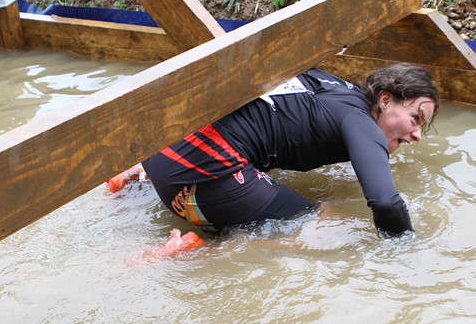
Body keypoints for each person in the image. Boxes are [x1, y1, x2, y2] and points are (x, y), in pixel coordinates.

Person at [139, 63, 439, 237]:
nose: (417, 135)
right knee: (325, 224)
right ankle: (196, 250)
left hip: (158, 144)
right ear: (384, 101)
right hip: (199, 176)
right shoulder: (361, 122)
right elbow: (386, 204)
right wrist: (407, 249)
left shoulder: (333, 85)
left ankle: (132, 178)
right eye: (416, 118)